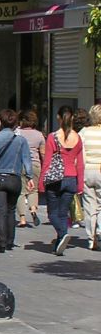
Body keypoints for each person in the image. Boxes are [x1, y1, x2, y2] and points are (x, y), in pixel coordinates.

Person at [0, 109, 34, 254]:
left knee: (1, 210)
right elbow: (27, 160)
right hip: (14, 178)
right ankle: (10, 241)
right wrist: (29, 177)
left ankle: (2, 242)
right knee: (11, 210)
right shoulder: (21, 140)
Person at [40, 105, 84, 256]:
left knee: (52, 213)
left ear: (58, 117)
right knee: (63, 214)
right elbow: (80, 163)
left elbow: (47, 162)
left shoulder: (53, 137)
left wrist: (41, 183)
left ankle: (62, 233)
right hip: (71, 179)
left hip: (55, 179)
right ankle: (59, 244)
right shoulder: (77, 138)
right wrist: (80, 184)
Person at [16, 109, 45, 228]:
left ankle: (22, 218)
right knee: (33, 190)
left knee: (21, 192)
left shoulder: (17, 133)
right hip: (35, 164)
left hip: (21, 164)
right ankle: (33, 209)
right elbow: (43, 153)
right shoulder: (39, 135)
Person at [79, 105, 101, 251]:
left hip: (87, 171)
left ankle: (91, 239)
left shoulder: (84, 132)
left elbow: (80, 154)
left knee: (89, 206)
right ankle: (100, 230)